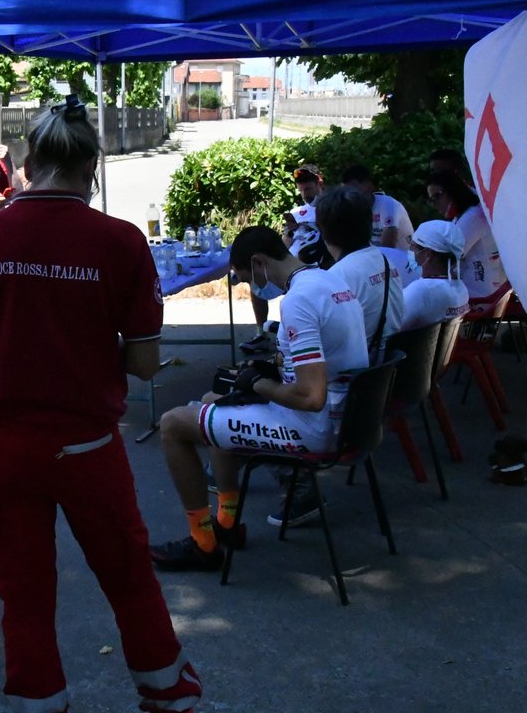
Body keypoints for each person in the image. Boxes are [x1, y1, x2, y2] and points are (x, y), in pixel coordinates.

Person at [0, 97, 206, 713]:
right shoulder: (119, 242)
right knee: (131, 585)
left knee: (26, 602)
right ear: (91, 167)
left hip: (3, 448)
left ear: (24, 166)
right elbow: (145, 364)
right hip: (89, 449)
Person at [149, 224, 367, 571]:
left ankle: (204, 545)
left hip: (315, 428)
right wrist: (265, 375)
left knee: (174, 425)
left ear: (259, 262)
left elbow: (310, 397)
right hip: (350, 417)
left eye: (247, 278)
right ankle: (227, 523)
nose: (253, 287)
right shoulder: (328, 281)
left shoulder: (299, 300)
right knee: (215, 399)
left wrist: (257, 385)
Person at [314, 186, 404, 361]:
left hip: (355, 376)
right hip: (386, 367)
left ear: (324, 230)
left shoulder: (336, 278)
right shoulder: (385, 260)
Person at [244, 163, 326, 355]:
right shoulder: (298, 212)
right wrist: (287, 234)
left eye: (309, 188)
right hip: (288, 264)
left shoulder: (330, 207)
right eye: (302, 189)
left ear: (319, 184)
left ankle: (293, 336)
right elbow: (284, 244)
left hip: (312, 267)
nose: (305, 193)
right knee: (256, 280)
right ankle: (261, 334)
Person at [427, 170, 507, 306]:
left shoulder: (472, 217)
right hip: (487, 290)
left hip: (480, 296)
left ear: (452, 190)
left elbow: (443, 261)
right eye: (431, 200)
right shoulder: (466, 214)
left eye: (437, 197)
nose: (435, 204)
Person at [402, 220, 473, 330]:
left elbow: (382, 327)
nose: (410, 251)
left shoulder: (423, 291)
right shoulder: (462, 288)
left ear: (428, 254)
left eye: (413, 246)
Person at [340, 163, 414, 250]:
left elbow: (388, 246)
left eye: (353, 189)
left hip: (404, 258)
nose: (349, 195)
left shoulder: (388, 205)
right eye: (346, 191)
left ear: (369, 186)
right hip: (379, 258)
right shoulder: (357, 209)